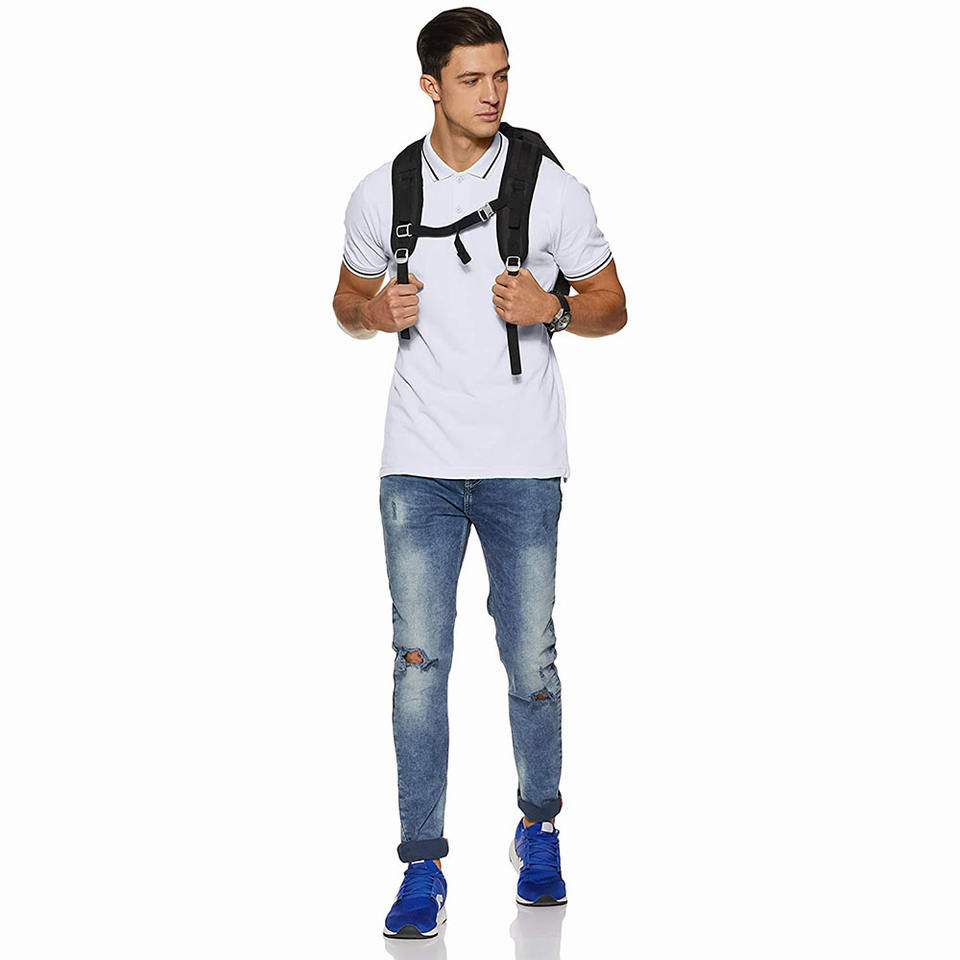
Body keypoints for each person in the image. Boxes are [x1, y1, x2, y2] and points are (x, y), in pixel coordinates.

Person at [332, 6, 627, 940]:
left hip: (522, 466)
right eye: (471, 79)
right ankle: (422, 865)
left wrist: (555, 308)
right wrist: (373, 314)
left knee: (530, 661)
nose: (492, 94)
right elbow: (345, 298)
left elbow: (614, 303)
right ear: (430, 85)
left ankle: (539, 829)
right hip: (417, 466)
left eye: (502, 75)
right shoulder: (383, 191)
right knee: (419, 665)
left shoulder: (551, 188)